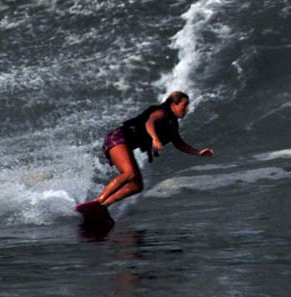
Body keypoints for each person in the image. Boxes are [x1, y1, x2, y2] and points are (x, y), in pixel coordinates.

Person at [75, 91, 214, 217]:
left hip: (125, 144)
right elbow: (150, 122)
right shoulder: (162, 112)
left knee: (137, 185)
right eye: (184, 105)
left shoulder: (172, 124)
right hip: (117, 138)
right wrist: (154, 138)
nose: (187, 109)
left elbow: (179, 144)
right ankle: (97, 201)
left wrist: (198, 152)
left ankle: (103, 206)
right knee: (129, 173)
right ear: (173, 105)